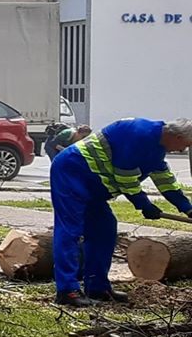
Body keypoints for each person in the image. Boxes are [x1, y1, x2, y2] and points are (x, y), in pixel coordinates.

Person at [49, 116, 192, 308]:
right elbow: (125, 177)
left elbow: (165, 181)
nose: (183, 150)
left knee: (105, 229)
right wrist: (144, 205)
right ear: (177, 136)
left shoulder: (158, 147)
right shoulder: (139, 133)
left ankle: (97, 287)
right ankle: (67, 290)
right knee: (70, 231)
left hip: (95, 185)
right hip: (72, 172)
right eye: (185, 145)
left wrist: (188, 208)